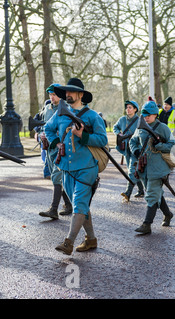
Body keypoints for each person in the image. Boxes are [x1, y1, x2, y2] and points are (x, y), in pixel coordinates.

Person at [44, 78, 108, 255]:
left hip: (87, 167)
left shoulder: (93, 116)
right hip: (66, 167)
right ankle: (91, 239)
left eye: (71, 91)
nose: (68, 94)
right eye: (66, 92)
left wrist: (83, 136)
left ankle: (68, 242)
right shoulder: (60, 113)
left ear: (81, 95)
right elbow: (48, 129)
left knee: (79, 203)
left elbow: (103, 140)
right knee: (79, 205)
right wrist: (56, 142)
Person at [129, 101, 175, 235]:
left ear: (155, 115)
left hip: (158, 168)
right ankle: (168, 214)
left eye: (149, 115)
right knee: (156, 194)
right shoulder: (140, 126)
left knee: (151, 194)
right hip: (143, 168)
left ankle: (147, 224)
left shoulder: (163, 128)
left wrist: (159, 145)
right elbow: (133, 141)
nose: (146, 117)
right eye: (144, 115)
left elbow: (172, 146)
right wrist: (136, 151)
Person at [38, 83, 73, 219]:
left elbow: (68, 130)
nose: (52, 97)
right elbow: (44, 126)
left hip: (61, 148)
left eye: (54, 94)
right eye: (50, 94)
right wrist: (41, 134)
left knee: (56, 176)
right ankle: (69, 205)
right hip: (49, 148)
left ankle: (53, 209)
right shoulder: (47, 109)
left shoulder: (68, 109)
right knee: (58, 178)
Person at [113, 100, 144, 201]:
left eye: (130, 107)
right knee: (134, 171)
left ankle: (128, 192)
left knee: (132, 170)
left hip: (136, 149)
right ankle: (141, 190)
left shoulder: (140, 120)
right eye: (127, 107)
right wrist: (118, 133)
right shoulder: (122, 119)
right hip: (126, 149)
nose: (128, 109)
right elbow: (115, 127)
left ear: (135, 109)